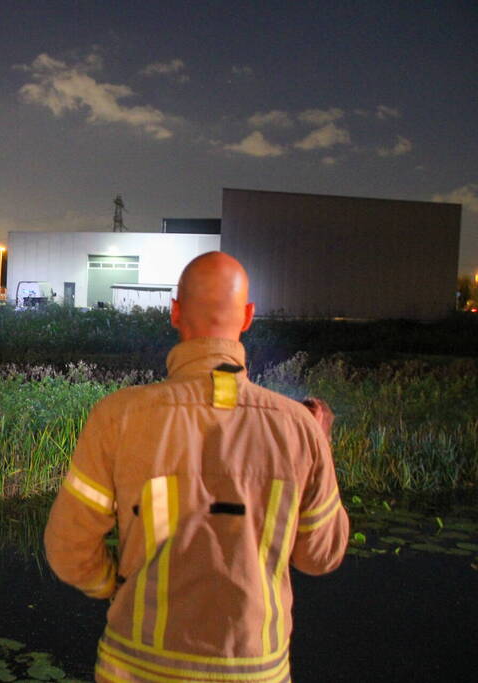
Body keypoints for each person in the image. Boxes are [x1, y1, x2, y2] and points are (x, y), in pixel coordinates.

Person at [44, 251, 348, 682]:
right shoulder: (299, 427)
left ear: (174, 312)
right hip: (256, 670)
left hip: (138, 667)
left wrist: (111, 587)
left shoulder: (118, 416)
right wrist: (321, 444)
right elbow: (320, 557)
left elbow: (67, 550)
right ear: (247, 317)